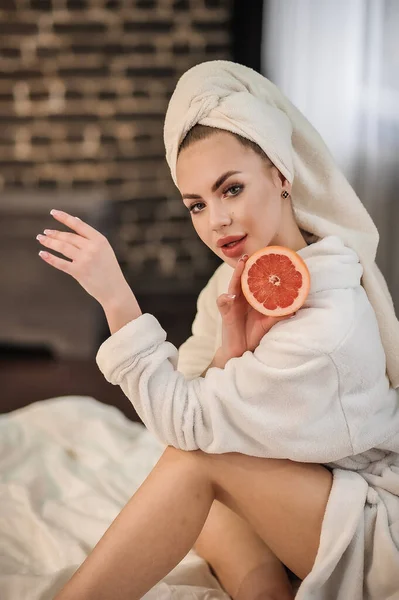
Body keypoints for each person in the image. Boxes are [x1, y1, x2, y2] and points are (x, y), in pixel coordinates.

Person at [36, 61, 399, 600]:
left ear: (281, 175)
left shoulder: (330, 324)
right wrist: (233, 344)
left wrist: (115, 297)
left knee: (192, 465)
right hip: (312, 490)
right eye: (198, 205)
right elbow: (210, 406)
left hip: (373, 530)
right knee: (195, 501)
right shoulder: (242, 282)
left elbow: (188, 425)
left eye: (231, 189)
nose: (216, 222)